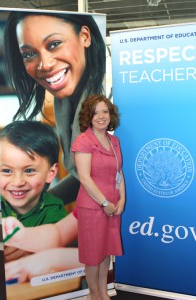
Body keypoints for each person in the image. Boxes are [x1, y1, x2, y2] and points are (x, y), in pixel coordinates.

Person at [4, 10, 106, 205]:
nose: (45, 64)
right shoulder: (64, 100)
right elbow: (82, 177)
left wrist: (54, 231)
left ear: (84, 36)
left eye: (54, 44)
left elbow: (107, 185)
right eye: (30, 54)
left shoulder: (111, 98)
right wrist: (36, 205)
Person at [71, 94, 125, 300]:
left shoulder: (114, 141)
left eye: (105, 111)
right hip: (94, 207)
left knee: (105, 253)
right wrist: (104, 203)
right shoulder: (83, 141)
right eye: (95, 113)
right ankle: (93, 295)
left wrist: (122, 200)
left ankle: (103, 292)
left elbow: (120, 173)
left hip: (112, 206)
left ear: (110, 115)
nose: (101, 116)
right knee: (93, 256)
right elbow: (85, 178)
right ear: (88, 116)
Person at [0, 120, 68, 261]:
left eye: (29, 170)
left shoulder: (54, 209)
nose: (17, 182)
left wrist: (32, 246)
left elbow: (58, 252)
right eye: (6, 171)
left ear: (51, 172)